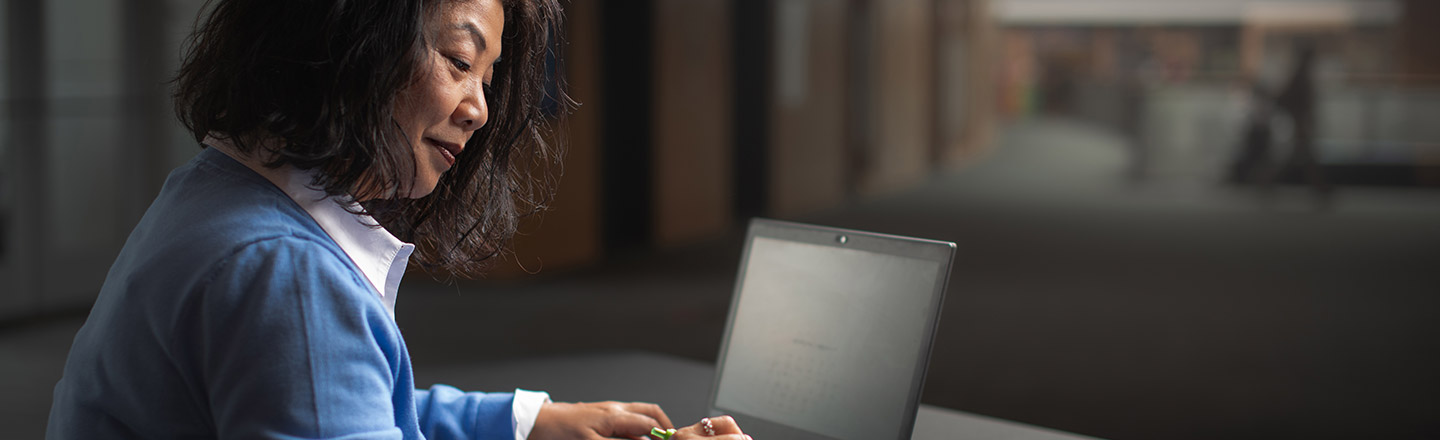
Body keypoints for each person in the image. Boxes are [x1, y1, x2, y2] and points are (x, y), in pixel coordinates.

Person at [45, 1, 751, 439]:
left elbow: (347, 398)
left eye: (488, 76)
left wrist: (529, 422)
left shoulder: (216, 192)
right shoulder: (285, 273)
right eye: (458, 59)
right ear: (354, 39)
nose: (479, 108)